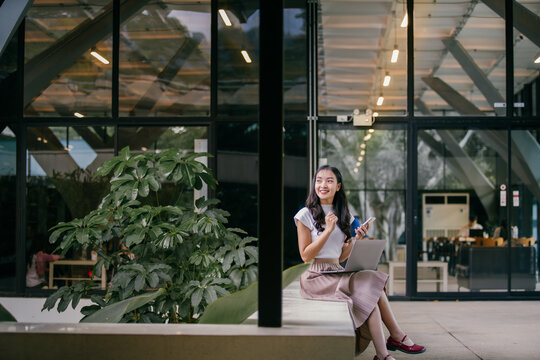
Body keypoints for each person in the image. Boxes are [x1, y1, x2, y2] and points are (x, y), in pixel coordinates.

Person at [294, 165, 425, 360]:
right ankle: (393, 341)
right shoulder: (305, 214)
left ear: (338, 186)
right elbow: (305, 256)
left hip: (335, 270)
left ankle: (386, 350)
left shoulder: (345, 215)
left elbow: (339, 257)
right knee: (371, 291)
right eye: (319, 180)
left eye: (329, 181)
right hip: (315, 276)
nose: (323, 185)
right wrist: (327, 230)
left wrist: (355, 240)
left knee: (371, 286)